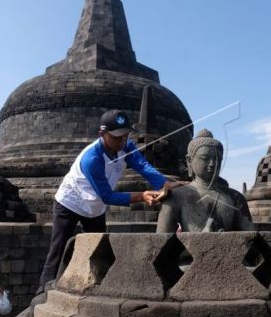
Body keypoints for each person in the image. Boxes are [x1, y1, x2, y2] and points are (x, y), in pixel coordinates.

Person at [37, 109, 178, 293]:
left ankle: (102, 288)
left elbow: (142, 165)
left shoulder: (125, 146)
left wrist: (164, 183)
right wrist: (141, 196)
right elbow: (108, 196)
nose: (121, 141)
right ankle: (42, 292)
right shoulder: (92, 159)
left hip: (94, 207)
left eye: (125, 136)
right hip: (70, 203)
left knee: (101, 249)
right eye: (116, 137)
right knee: (58, 249)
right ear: (102, 135)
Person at [156, 129, 253, 232]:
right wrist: (202, 239)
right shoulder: (175, 197)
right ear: (189, 161)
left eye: (217, 159)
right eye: (205, 158)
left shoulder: (236, 198)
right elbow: (162, 243)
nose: (212, 164)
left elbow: (251, 240)